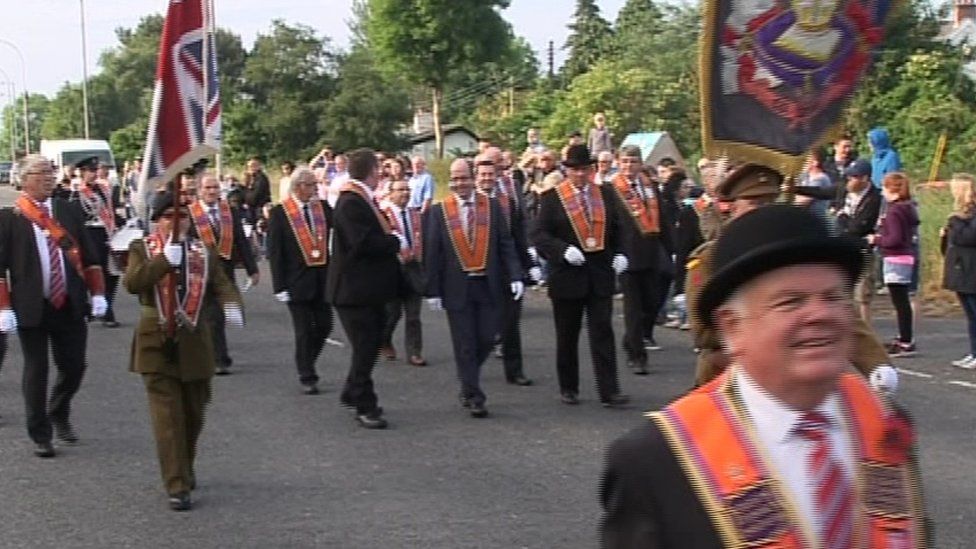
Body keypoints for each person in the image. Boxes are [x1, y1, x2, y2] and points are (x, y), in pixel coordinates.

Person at [600, 204, 927, 548]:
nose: (820, 314)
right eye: (791, 302)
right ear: (733, 328)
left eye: (834, 297)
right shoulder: (655, 459)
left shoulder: (885, 422)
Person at [686, 163, 893, 386]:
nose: (764, 211)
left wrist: (876, 365)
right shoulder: (710, 259)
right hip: (728, 379)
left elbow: (840, 310)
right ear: (733, 207)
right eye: (754, 203)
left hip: (798, 376)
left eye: (770, 203)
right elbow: (702, 331)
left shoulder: (796, 253)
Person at [124, 186, 243, 511]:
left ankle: (184, 468)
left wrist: (232, 305)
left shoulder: (203, 252)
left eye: (181, 217)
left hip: (194, 341)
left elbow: (221, 284)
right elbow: (133, 283)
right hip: (155, 340)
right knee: (168, 419)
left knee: (193, 415)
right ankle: (176, 484)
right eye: (167, 217)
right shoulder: (142, 249)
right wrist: (164, 260)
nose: (175, 223)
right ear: (156, 220)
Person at [0, 154, 108, 458]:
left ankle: (58, 410)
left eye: (51, 171)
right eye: (41, 172)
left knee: (74, 366)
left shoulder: (67, 210)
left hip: (68, 301)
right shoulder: (10, 218)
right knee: (37, 369)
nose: (49, 177)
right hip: (32, 305)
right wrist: (3, 308)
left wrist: (97, 292)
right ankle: (40, 433)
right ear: (24, 179)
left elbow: (88, 254)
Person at [530, 144, 630, 407]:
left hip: (599, 273)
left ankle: (610, 390)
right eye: (575, 170)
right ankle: (568, 387)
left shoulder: (606, 195)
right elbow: (539, 235)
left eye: (585, 169)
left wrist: (621, 253)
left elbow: (620, 229)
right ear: (566, 170)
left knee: (603, 332)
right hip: (568, 274)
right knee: (567, 335)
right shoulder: (552, 198)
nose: (581, 175)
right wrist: (562, 250)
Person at [425, 159, 523, 417]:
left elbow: (505, 243)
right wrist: (432, 290)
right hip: (456, 287)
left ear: (473, 178)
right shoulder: (439, 211)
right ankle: (473, 393)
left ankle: (467, 377)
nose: (460, 184)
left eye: (464, 178)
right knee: (465, 342)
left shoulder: (490, 206)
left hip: (487, 283)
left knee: (488, 338)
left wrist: (516, 274)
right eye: (455, 179)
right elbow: (432, 252)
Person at [327, 149, 402, 429]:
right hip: (352, 290)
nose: (381, 173)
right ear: (371, 171)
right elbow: (362, 243)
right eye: (379, 168)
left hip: (366, 289)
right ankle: (364, 403)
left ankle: (352, 390)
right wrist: (393, 241)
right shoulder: (350, 203)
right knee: (366, 347)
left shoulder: (361, 200)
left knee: (370, 343)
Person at [267, 166, 334, 394]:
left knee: (325, 326)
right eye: (312, 185)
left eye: (316, 184)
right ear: (298, 187)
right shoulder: (280, 213)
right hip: (296, 281)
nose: (316, 189)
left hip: (323, 278)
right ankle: (307, 374)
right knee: (304, 330)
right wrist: (279, 285)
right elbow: (275, 251)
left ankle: (306, 360)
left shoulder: (323, 208)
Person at [608, 146, 673, 374]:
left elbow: (662, 218)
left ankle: (632, 338)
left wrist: (670, 247)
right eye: (624, 161)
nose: (628, 166)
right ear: (618, 162)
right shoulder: (611, 188)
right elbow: (610, 225)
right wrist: (614, 253)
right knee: (633, 306)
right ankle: (637, 356)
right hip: (627, 254)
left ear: (640, 163)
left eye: (633, 161)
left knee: (652, 301)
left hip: (652, 251)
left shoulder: (650, 186)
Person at [189, 174, 259, 375]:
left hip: (225, 272)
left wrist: (252, 269)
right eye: (208, 188)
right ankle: (219, 359)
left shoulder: (230, 212)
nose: (212, 192)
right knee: (212, 316)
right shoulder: (191, 213)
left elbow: (241, 242)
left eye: (215, 188)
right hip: (200, 272)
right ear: (200, 190)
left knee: (223, 314)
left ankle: (214, 354)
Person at [476, 152, 535, 386]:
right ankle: (472, 372)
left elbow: (517, 236)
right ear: (475, 177)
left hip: (506, 269)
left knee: (511, 322)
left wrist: (528, 263)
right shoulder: (464, 203)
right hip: (478, 271)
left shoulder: (506, 201)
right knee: (481, 326)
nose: (487, 179)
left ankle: (515, 370)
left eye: (491, 174)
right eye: (483, 175)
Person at [868, 172, 919, 357]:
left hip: (896, 257)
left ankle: (906, 340)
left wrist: (877, 239)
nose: (882, 191)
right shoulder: (906, 208)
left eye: (885, 187)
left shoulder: (895, 210)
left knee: (900, 301)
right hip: (904, 256)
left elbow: (895, 238)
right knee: (901, 300)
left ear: (893, 190)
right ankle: (904, 336)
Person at [70, 156, 122, 327]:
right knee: (92, 272)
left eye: (95, 170)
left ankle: (107, 307)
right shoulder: (76, 193)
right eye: (90, 171)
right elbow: (77, 218)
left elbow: (111, 210)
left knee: (112, 273)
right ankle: (97, 309)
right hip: (90, 234)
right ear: (82, 173)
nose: (94, 174)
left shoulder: (104, 190)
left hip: (107, 234)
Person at [380, 179, 427, 367]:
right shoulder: (384, 215)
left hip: (413, 268)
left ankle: (414, 352)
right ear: (390, 193)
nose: (405, 193)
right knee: (393, 313)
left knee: (414, 315)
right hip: (392, 269)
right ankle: (384, 339)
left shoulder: (415, 214)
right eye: (400, 190)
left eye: (407, 189)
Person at [834, 158, 882, 323]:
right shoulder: (846, 192)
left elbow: (858, 227)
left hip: (863, 250)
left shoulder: (874, 198)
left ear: (865, 179)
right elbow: (822, 191)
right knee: (843, 292)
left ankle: (866, 335)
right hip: (844, 247)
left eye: (853, 177)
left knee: (863, 296)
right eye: (848, 177)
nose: (849, 180)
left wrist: (842, 216)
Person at [942, 174, 976, 369]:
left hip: (971, 268)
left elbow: (969, 237)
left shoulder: (968, 215)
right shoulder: (959, 216)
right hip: (960, 268)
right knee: (970, 315)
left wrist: (953, 224)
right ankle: (973, 352)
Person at [242, 156, 272, 224]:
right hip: (252, 209)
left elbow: (256, 194)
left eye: (253, 166)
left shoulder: (261, 178)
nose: (251, 168)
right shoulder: (250, 177)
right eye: (249, 166)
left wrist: (247, 201)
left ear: (259, 166)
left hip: (259, 208)